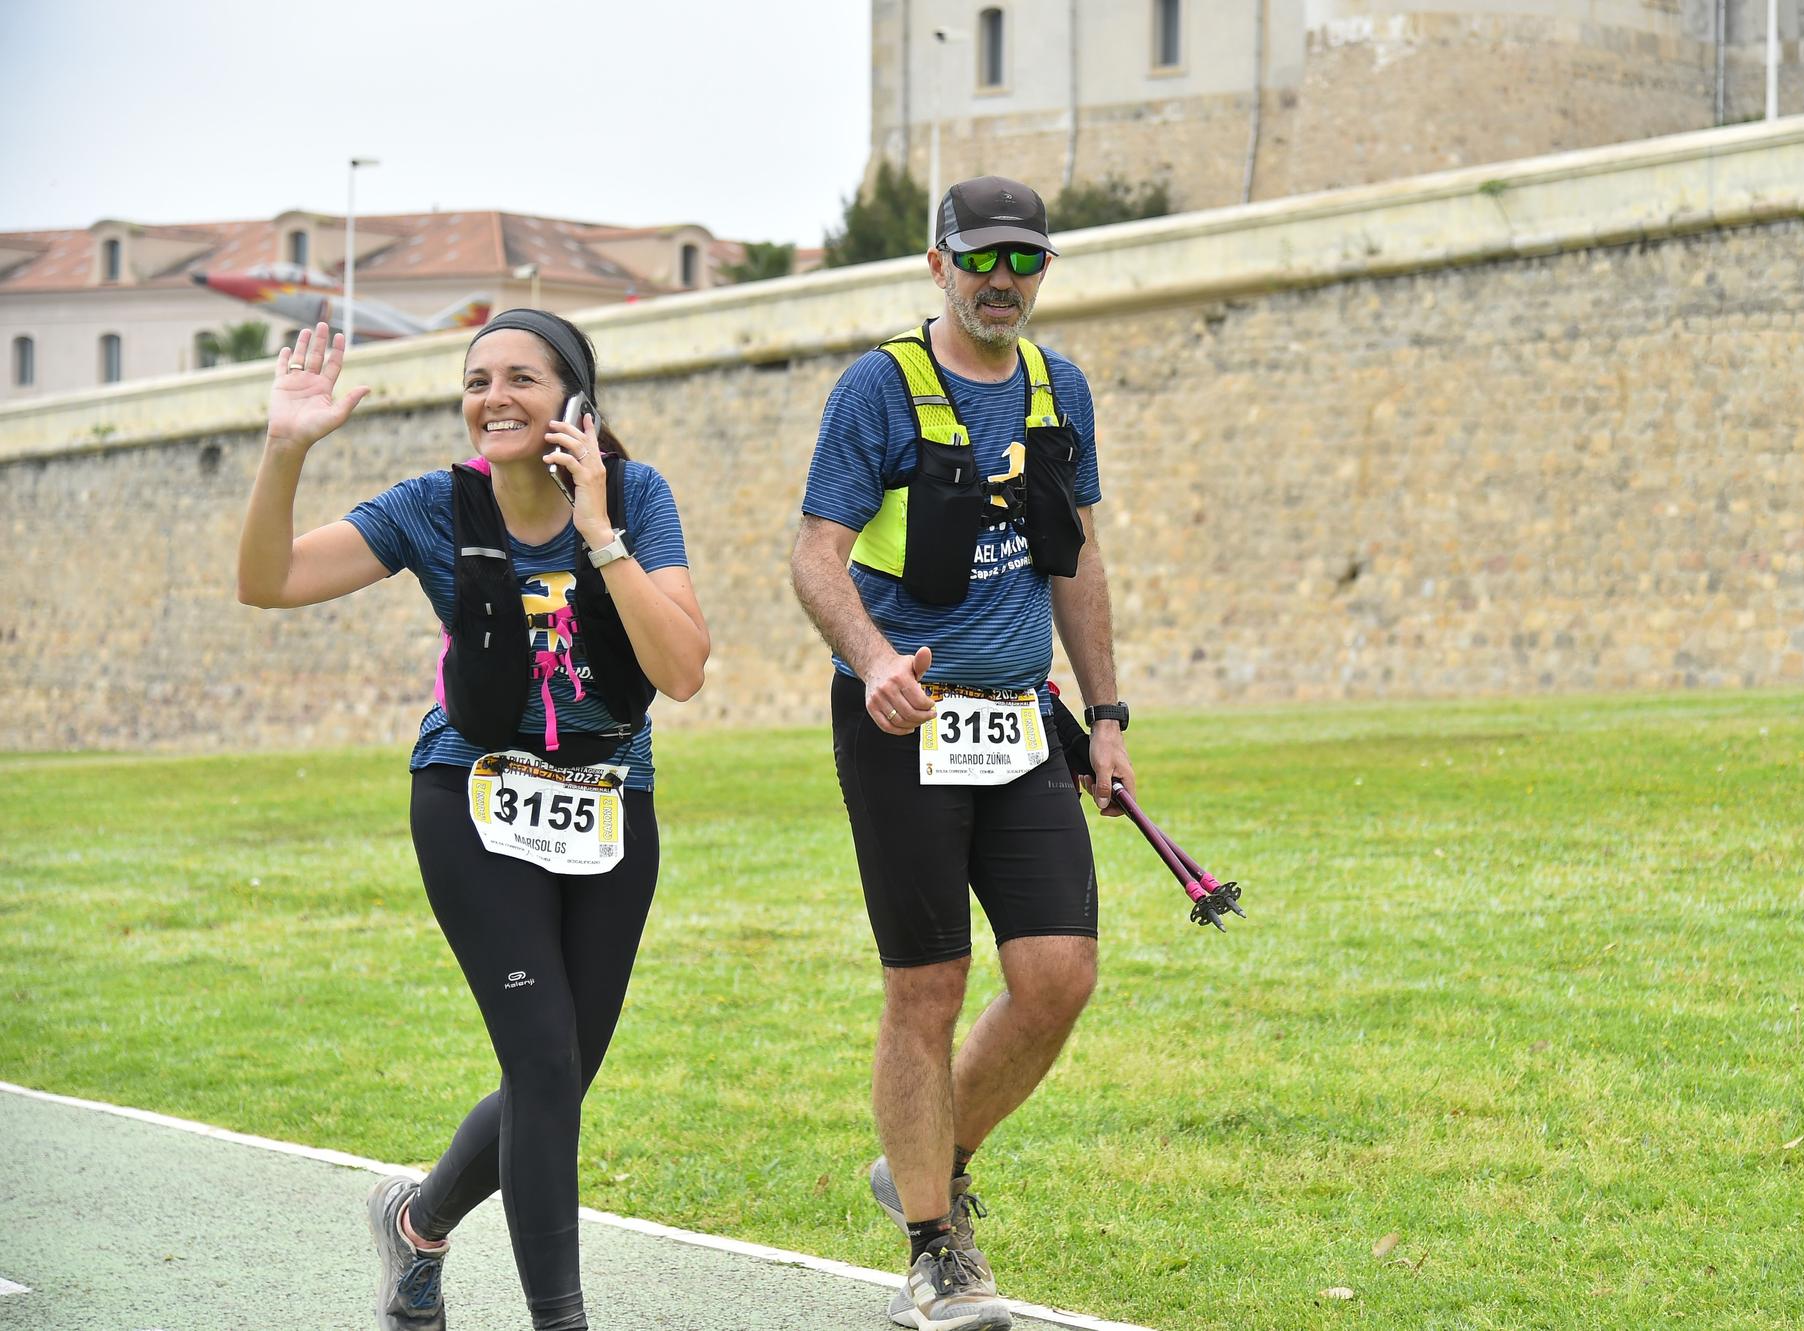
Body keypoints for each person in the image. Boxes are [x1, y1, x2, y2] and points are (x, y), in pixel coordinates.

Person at [237, 312, 709, 1331]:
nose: (494, 395)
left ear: (576, 399)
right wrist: (283, 450)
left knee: (561, 1073)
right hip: (471, 792)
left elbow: (680, 669)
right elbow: (266, 582)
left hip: (605, 803)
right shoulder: (431, 507)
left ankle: (416, 1223)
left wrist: (598, 532)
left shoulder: (637, 498)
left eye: (522, 377)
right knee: (541, 1060)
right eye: (477, 378)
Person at [790, 176, 1133, 1331]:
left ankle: (927, 1156)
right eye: (980, 259)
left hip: (1021, 717)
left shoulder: (1057, 387)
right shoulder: (876, 388)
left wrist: (1107, 714)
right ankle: (936, 1242)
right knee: (924, 988)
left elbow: (1074, 559)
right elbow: (814, 556)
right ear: (936, 264)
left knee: (1056, 977)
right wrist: (876, 658)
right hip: (904, 722)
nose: (1002, 281)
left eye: (1023, 261)